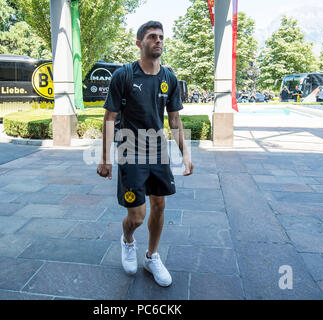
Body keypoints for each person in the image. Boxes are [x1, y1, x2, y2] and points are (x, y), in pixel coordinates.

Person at [97, 21, 194, 287]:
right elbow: (109, 117)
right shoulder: (124, 76)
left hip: (157, 149)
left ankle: (151, 257)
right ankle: (128, 240)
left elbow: (174, 120)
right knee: (137, 216)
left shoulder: (169, 78)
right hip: (129, 149)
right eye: (152, 36)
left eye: (161, 37)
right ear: (140, 43)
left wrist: (185, 153)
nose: (158, 40)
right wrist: (105, 158)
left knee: (160, 205)